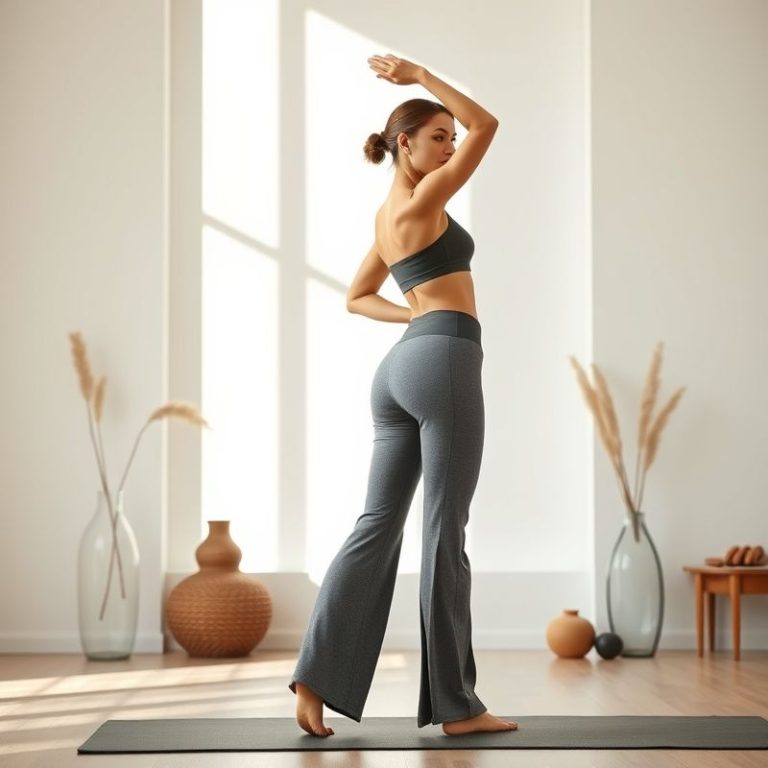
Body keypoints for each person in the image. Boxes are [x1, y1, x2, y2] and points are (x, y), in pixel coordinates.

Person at [288, 54, 517, 738]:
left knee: (375, 524)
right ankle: (459, 707)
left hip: (397, 373)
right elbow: (489, 122)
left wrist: (412, 316)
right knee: (446, 531)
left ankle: (313, 678)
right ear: (405, 144)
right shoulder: (423, 199)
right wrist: (420, 75)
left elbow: (358, 297)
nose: (452, 143)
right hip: (444, 360)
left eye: (450, 137)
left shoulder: (387, 217)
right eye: (439, 136)